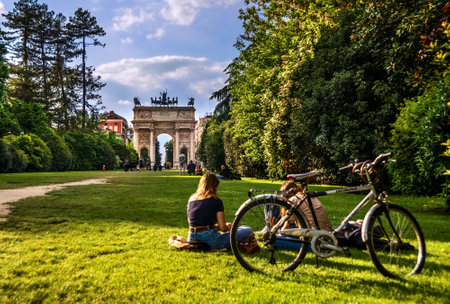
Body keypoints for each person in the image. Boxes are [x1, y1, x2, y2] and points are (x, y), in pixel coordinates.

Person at [187, 173, 253, 250]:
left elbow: (195, 223)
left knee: (240, 230)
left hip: (192, 239)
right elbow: (223, 228)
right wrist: (228, 227)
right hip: (211, 241)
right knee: (247, 229)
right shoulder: (216, 201)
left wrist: (216, 227)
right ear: (215, 186)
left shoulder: (191, 199)